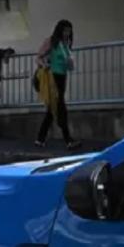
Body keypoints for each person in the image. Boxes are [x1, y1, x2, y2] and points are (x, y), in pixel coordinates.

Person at [34, 20, 81, 150]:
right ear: (59, 30)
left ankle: (40, 138)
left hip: (62, 77)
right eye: (65, 30)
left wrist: (70, 63)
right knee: (60, 107)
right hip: (52, 77)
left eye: (69, 30)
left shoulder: (66, 44)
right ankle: (68, 140)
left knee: (53, 109)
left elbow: (67, 63)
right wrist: (45, 65)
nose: (67, 33)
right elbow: (38, 57)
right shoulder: (51, 41)